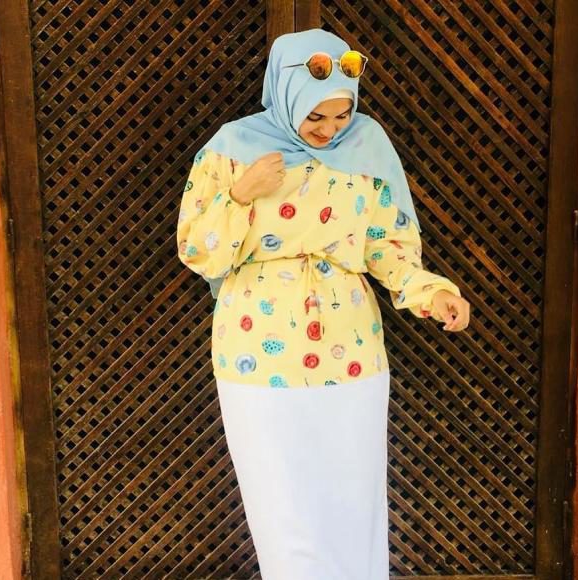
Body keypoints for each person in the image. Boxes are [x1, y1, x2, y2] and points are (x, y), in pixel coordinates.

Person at [177, 28, 470, 580]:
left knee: (353, 496)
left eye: (341, 114)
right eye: (316, 117)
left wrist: (431, 292)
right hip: (256, 353)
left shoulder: (368, 146)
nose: (330, 129)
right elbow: (196, 250)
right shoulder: (231, 148)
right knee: (281, 500)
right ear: (287, 91)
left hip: (351, 349)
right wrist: (241, 194)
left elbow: (388, 246)